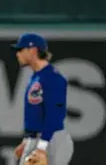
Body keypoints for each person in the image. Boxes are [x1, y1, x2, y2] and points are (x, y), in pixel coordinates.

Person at [11, 33, 73, 165]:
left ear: (33, 50)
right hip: (38, 138)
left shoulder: (52, 78)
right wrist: (27, 140)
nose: (18, 54)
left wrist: (42, 146)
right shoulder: (36, 77)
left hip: (51, 139)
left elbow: (55, 113)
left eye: (21, 50)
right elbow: (36, 114)